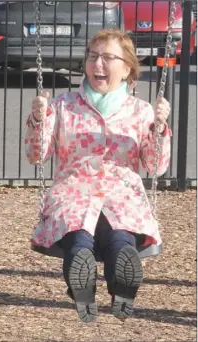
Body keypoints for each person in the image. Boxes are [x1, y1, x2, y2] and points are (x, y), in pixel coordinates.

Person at [25, 29, 172, 323]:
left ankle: (122, 290)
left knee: (120, 239)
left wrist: (158, 129)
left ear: (127, 68)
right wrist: (39, 120)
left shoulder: (141, 111)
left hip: (122, 194)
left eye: (108, 58)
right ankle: (83, 290)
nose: (98, 65)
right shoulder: (63, 105)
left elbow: (155, 166)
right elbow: (36, 155)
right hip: (73, 192)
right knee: (78, 238)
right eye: (93, 57)